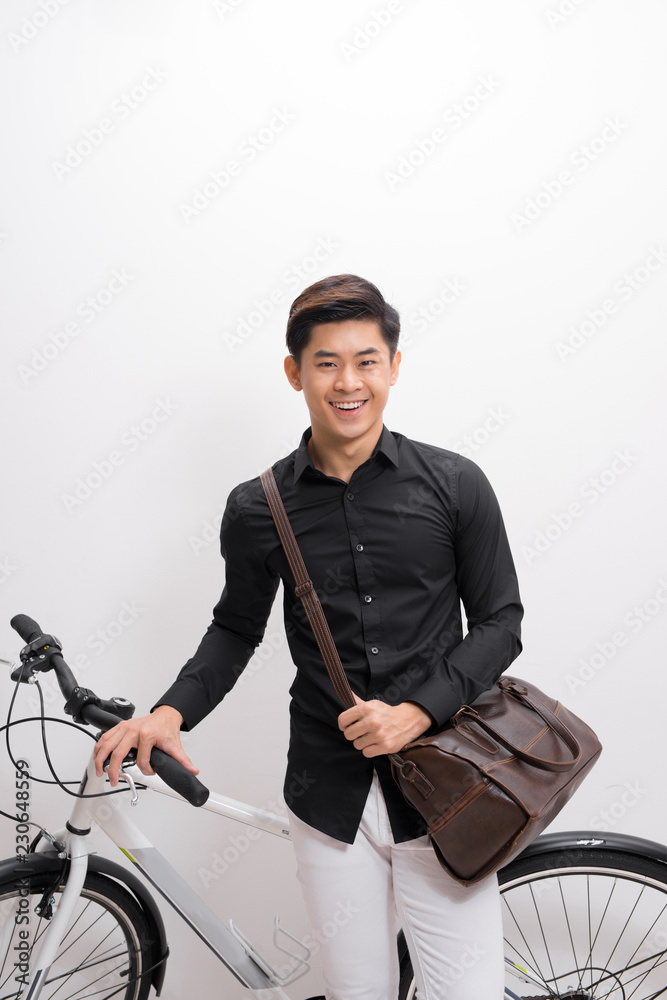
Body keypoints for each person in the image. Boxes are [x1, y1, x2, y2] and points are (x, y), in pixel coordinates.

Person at [94, 273, 523, 999]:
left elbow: (499, 622)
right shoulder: (255, 507)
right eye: (326, 362)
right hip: (329, 798)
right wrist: (167, 715)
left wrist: (414, 712)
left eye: (365, 360)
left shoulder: (455, 484)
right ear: (294, 372)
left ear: (393, 366)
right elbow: (234, 629)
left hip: (446, 790)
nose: (347, 382)